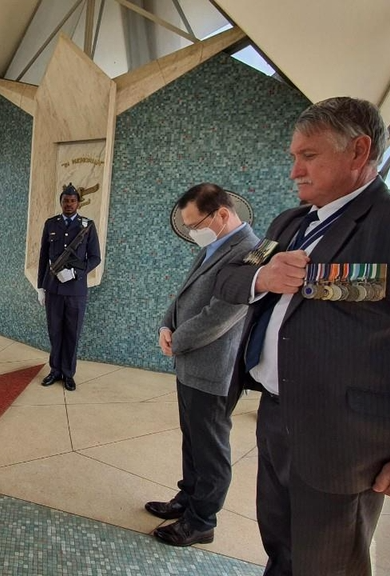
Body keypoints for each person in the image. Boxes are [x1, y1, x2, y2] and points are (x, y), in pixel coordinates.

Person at [214, 97, 390, 575]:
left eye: (309, 156)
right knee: (282, 550)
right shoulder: (291, 224)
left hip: (348, 443)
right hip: (277, 419)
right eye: (294, 157)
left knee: (328, 565)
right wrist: (264, 276)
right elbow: (229, 277)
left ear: (358, 151)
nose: (295, 171)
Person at [147, 183, 259, 547]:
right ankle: (188, 498)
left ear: (222, 214)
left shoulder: (250, 253)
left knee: (210, 446)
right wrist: (166, 325)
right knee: (192, 437)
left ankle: (201, 521)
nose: (193, 232)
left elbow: (220, 315)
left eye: (195, 225)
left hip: (215, 368)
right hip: (191, 363)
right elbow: (185, 292)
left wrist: (177, 340)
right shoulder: (217, 245)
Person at [37, 183, 101, 391]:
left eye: (73, 201)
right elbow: (43, 257)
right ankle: (55, 370)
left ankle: (68, 373)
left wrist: (75, 273)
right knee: (55, 332)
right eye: (66, 200)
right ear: (61, 202)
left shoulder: (87, 226)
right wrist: (41, 287)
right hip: (53, 289)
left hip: (75, 292)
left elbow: (95, 258)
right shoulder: (51, 224)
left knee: (72, 333)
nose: (69, 204)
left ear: (78, 204)